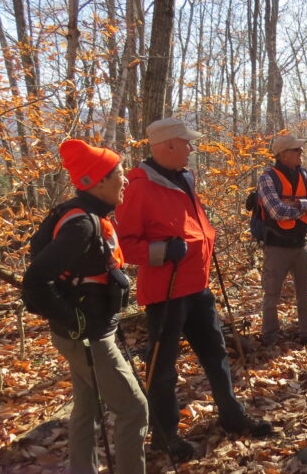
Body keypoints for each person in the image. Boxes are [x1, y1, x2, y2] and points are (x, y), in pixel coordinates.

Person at [116, 117, 272, 462]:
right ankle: (164, 436)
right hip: (165, 292)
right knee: (163, 368)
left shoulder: (185, 177)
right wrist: (160, 252)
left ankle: (232, 415)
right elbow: (123, 245)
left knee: (216, 355)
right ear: (168, 145)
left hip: (197, 286)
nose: (191, 148)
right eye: (186, 143)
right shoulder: (138, 186)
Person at [21, 139, 147, 474]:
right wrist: (73, 320)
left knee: (87, 408)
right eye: (120, 173)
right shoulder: (81, 224)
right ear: (99, 180)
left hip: (83, 332)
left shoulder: (90, 215)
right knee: (134, 410)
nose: (126, 180)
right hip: (88, 337)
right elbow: (34, 282)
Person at [256, 134, 307, 347]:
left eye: (300, 149)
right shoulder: (267, 178)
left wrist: (296, 203)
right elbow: (277, 212)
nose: (301, 153)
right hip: (277, 247)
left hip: (303, 244)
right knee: (271, 296)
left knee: (305, 294)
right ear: (283, 154)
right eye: (296, 150)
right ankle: (269, 338)